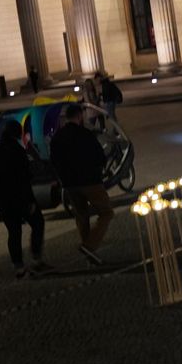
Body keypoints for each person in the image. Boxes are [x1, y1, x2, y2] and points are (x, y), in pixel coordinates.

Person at [0, 118, 48, 277]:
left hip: (4, 202)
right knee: (38, 223)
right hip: (20, 199)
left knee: (14, 232)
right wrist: (30, 201)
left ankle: (18, 266)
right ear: (17, 134)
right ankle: (36, 259)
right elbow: (24, 179)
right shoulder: (18, 152)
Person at [49, 102, 111, 265]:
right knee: (106, 212)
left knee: (81, 215)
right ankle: (89, 246)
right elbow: (99, 156)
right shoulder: (85, 134)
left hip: (69, 184)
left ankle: (89, 251)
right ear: (79, 116)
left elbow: (54, 161)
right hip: (90, 180)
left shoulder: (58, 137)